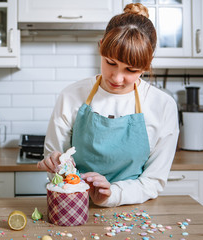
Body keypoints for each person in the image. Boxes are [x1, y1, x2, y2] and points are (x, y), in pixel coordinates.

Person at [37, 3, 179, 207]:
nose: (117, 78)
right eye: (110, 62)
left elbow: (153, 181)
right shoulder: (71, 95)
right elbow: (56, 163)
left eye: (130, 70)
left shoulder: (162, 105)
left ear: (147, 64)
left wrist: (112, 194)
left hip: (134, 211)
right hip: (74, 205)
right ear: (101, 46)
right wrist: (56, 164)